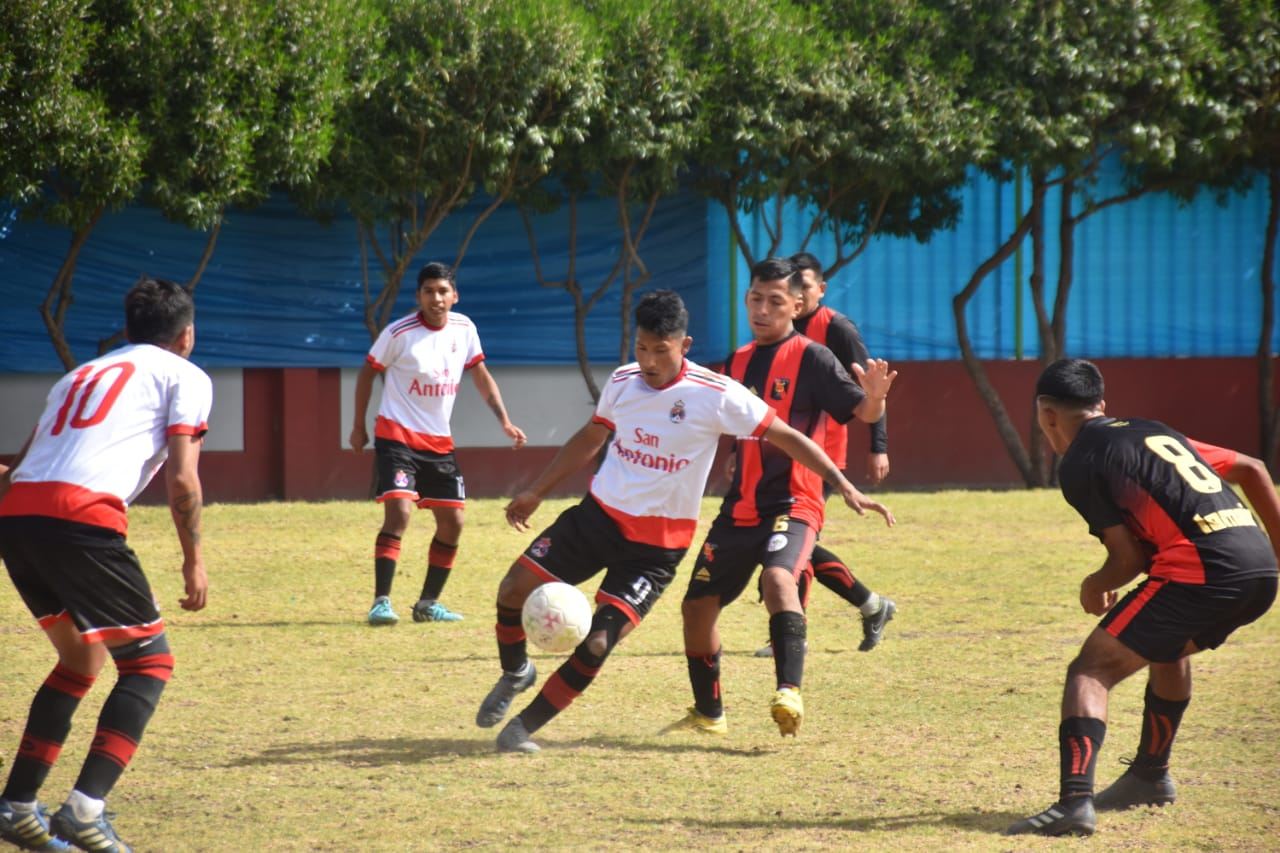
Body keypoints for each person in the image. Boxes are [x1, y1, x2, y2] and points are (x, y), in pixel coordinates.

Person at [474, 289, 888, 753]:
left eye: (660, 350)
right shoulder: (624, 381)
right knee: (512, 589)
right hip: (594, 521)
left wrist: (843, 483)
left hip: (654, 551)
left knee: (596, 643)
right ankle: (516, 671)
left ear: (684, 345)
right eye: (641, 348)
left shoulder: (715, 395)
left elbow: (788, 436)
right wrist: (537, 490)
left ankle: (520, 731)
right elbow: (592, 435)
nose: (648, 361)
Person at [1006, 358, 1279, 837]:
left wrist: (1095, 582)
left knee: (1090, 670)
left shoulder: (1081, 461)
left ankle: (1073, 803)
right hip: (1257, 567)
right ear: (1102, 405)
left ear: (1045, 415)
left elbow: (1126, 558)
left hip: (1202, 571)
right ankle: (1149, 777)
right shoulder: (1155, 432)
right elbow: (1252, 469)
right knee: (1165, 645)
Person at [0, 277, 213, 853]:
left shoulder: (79, 375)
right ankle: (84, 810)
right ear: (186, 334)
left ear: (128, 327)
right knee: (149, 665)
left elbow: (19, 464)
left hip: (17, 516)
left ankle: (17, 806)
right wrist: (194, 560)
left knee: (81, 655)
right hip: (81, 519)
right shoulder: (185, 375)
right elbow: (183, 478)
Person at [668, 257, 897, 739]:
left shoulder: (814, 357)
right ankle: (709, 713)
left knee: (778, 579)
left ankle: (789, 691)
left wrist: (875, 401)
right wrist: (731, 454)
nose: (763, 309)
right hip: (741, 506)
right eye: (756, 298)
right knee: (697, 606)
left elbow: (858, 408)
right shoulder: (737, 361)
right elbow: (729, 420)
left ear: (797, 305)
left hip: (796, 501)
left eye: (776, 301)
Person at [350, 262, 526, 626]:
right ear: (419, 296)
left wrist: (505, 421)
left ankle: (428, 604)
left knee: (454, 522)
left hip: (439, 442)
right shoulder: (399, 334)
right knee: (399, 513)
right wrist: (358, 426)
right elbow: (368, 372)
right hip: (396, 435)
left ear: (454, 296)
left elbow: (480, 375)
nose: (436, 298)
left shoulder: (464, 329)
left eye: (443, 291)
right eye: (429, 291)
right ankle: (381, 602)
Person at [752, 252, 896, 658]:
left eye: (808, 286)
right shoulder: (777, 329)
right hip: (778, 453)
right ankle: (871, 604)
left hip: (821, 454)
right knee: (788, 540)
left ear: (817, 290)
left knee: (788, 538)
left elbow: (869, 391)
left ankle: (792, 631)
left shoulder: (837, 329)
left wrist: (878, 445)